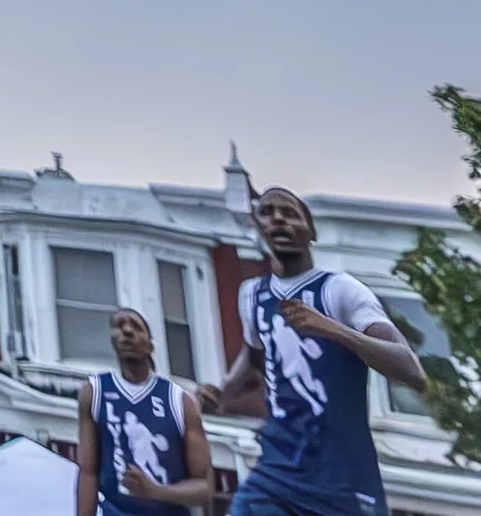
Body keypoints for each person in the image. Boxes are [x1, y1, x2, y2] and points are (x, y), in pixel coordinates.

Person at [201, 187, 426, 516]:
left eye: (290, 212)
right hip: (277, 469)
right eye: (268, 211)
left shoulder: (339, 290)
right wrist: (218, 394)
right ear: (258, 226)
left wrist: (331, 329)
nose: (278, 217)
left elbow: (411, 371)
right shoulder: (253, 295)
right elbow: (253, 364)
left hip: (340, 477)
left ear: (311, 231)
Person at [77, 306, 211, 516]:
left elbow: (204, 489)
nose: (127, 331)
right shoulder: (94, 391)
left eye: (136, 327)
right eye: (119, 325)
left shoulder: (180, 400)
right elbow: (88, 472)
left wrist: (155, 491)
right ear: (112, 339)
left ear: (150, 345)